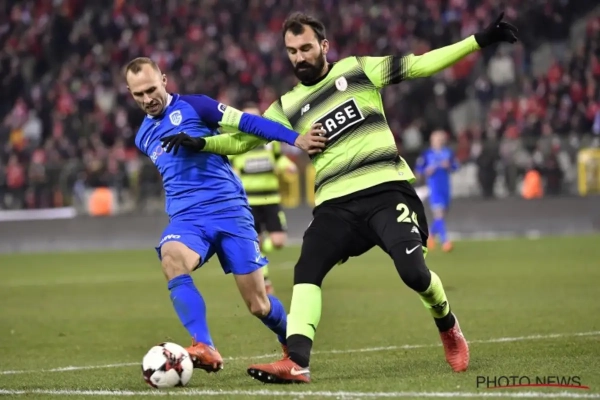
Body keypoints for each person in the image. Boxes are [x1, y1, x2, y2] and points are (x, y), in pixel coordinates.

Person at [160, 12, 518, 383]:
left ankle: (447, 324)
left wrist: (479, 40)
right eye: (292, 51)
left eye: (305, 48)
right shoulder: (286, 106)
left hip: (385, 189)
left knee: (413, 273)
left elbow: (420, 64)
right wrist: (203, 143)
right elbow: (242, 141)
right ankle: (297, 361)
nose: (299, 57)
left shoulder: (358, 70)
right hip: (335, 205)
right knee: (307, 268)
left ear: (324, 46)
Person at [125, 57, 326, 374]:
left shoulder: (197, 106)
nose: (147, 98)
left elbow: (249, 124)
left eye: (151, 89)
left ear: (163, 80)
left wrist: (296, 139)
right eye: (139, 94)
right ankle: (204, 345)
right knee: (171, 258)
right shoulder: (142, 136)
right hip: (187, 219)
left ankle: (292, 344)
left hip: (229, 211)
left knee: (259, 305)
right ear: (130, 93)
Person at [228, 103, 297, 295]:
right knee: (255, 242)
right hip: (249, 203)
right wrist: (233, 175)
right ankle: (265, 281)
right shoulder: (236, 143)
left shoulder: (269, 142)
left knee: (278, 241)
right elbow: (230, 168)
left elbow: (278, 159)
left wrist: (287, 166)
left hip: (271, 199)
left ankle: (261, 250)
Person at [415, 130, 459, 252]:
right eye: (438, 139)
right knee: (438, 214)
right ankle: (445, 242)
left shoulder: (448, 153)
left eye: (442, 139)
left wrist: (449, 166)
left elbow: (456, 166)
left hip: (446, 187)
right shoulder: (426, 154)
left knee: (442, 215)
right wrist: (427, 171)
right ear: (432, 141)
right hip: (434, 187)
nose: (440, 141)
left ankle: (430, 236)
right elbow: (418, 170)